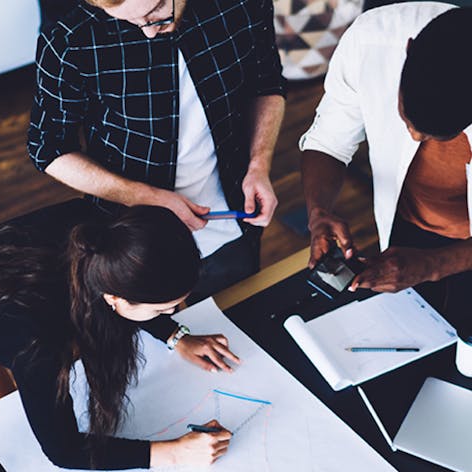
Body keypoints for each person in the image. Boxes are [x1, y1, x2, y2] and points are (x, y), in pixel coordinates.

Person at [0, 199, 236, 469]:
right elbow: (64, 449)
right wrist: (175, 452)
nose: (172, 312)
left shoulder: (103, 230)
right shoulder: (38, 339)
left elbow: (130, 283)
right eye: (161, 310)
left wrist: (175, 336)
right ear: (114, 298)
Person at [28, 0, 287, 303]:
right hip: (132, 240)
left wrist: (259, 164)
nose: (150, 32)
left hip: (231, 220)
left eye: (157, 10)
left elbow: (265, 83)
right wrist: (143, 196)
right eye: (130, 21)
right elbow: (48, 148)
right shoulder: (70, 38)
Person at [300, 3, 472, 321]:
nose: (416, 138)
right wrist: (318, 212)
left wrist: (437, 265)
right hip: (405, 226)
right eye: (408, 119)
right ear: (409, 51)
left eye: (440, 134)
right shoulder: (372, 40)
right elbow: (327, 142)